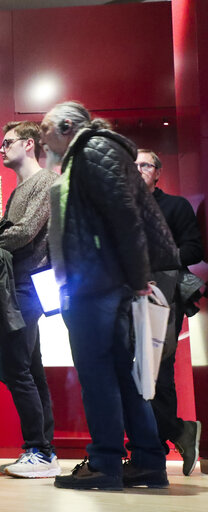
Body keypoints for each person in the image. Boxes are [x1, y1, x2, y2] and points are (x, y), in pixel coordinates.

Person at [41, 101, 179, 491]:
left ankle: (105, 462)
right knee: (120, 373)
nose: (43, 139)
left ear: (67, 125)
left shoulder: (93, 150)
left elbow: (124, 215)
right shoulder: (88, 153)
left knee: (98, 374)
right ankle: (148, 461)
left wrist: (137, 279)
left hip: (97, 284)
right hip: (100, 282)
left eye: (46, 130)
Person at [0, 121, 60, 478]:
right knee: (30, 370)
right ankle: (42, 449)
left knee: (19, 369)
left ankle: (39, 449)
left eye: (7, 142)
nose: (1, 149)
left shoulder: (46, 182)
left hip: (28, 285)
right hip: (18, 284)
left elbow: (23, 232)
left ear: (29, 144)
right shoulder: (19, 188)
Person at [135, 148, 203, 476]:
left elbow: (194, 248)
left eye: (144, 164)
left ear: (158, 172)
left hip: (164, 298)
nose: (138, 169)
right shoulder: (122, 209)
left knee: (159, 374)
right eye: (132, 165)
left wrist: (157, 258)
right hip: (127, 300)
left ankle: (156, 453)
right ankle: (170, 436)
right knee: (134, 375)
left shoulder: (175, 206)